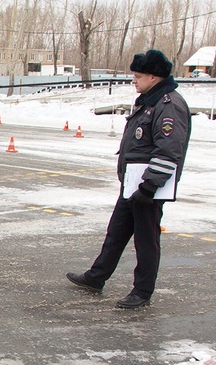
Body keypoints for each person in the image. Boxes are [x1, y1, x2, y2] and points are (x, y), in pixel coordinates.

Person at [66, 49, 191, 309]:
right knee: (116, 232)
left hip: (148, 187)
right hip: (133, 184)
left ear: (154, 77)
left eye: (138, 75)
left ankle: (142, 291)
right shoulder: (149, 101)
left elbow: (169, 150)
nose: (134, 80)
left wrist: (148, 186)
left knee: (146, 241)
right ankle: (96, 277)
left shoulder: (168, 105)